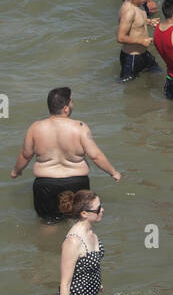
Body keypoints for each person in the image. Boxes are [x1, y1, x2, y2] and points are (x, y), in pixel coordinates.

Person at [11, 87, 121, 220]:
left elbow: (25, 155)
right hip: (77, 182)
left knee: (49, 223)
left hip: (45, 184)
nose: (72, 104)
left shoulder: (35, 128)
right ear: (65, 108)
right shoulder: (80, 127)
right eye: (71, 102)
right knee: (77, 222)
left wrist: (16, 171)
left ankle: (48, 240)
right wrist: (113, 172)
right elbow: (95, 156)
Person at [56, 190, 106, 295]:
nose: (102, 210)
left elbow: (89, 264)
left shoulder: (92, 234)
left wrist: (97, 282)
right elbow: (64, 283)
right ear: (84, 213)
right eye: (98, 208)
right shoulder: (73, 241)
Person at [117, 0, 160, 82]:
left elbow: (137, 21)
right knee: (129, 87)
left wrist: (149, 21)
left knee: (157, 73)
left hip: (144, 54)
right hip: (132, 57)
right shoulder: (128, 12)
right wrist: (142, 41)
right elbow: (120, 37)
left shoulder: (139, 4)